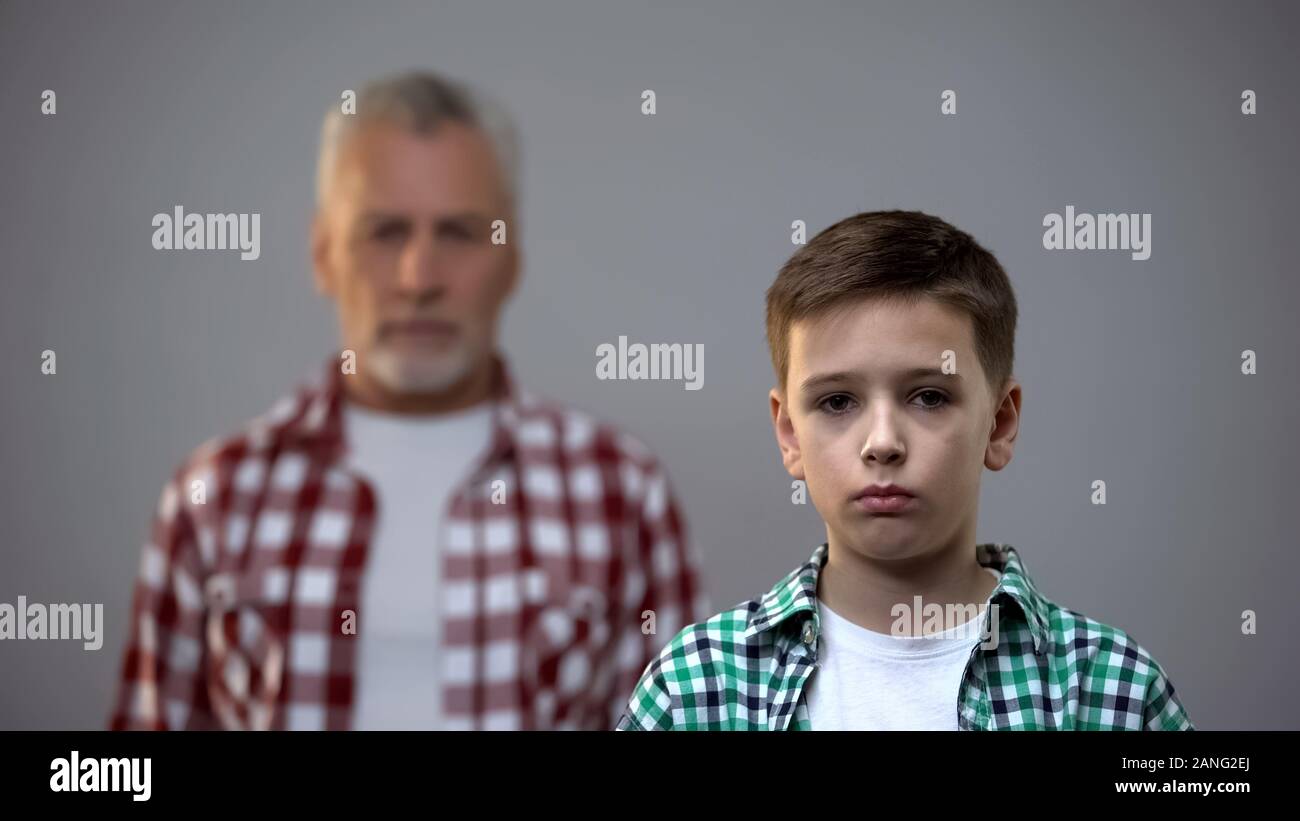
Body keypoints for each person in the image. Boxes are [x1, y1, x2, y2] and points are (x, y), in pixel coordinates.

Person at [109, 69, 708, 730]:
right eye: (384, 231)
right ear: (322, 254)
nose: (419, 278)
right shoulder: (213, 495)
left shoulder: (621, 491)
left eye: (458, 233)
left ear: (511, 259)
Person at [618, 210, 1192, 730]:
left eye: (929, 397)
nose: (883, 443)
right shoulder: (696, 689)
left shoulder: (1112, 690)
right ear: (789, 433)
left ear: (999, 423)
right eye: (837, 402)